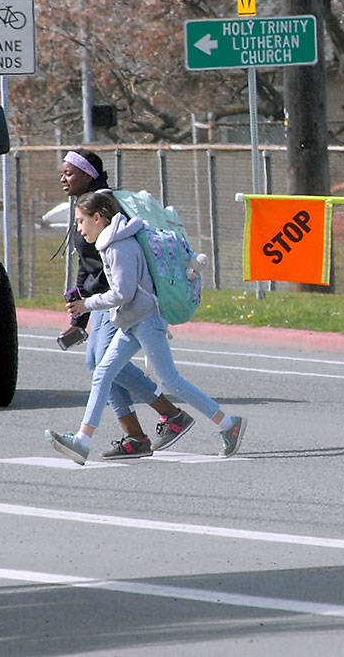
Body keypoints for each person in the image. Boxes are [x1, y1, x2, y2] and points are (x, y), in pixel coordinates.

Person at [45, 192, 245, 464]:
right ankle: (82, 441)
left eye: (81, 222)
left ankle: (228, 423)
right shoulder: (112, 242)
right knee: (102, 373)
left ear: (97, 218)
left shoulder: (119, 246)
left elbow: (123, 293)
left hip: (146, 321)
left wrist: (86, 305)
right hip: (131, 321)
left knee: (171, 380)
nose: (79, 229)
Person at [58, 149, 196, 452]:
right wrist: (79, 318)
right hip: (101, 301)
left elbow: (120, 260)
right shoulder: (85, 207)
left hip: (118, 299)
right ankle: (138, 433)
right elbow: (86, 265)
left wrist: (96, 305)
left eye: (69, 173)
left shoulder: (104, 206)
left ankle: (168, 416)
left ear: (88, 175)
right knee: (99, 365)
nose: (63, 178)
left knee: (102, 366)